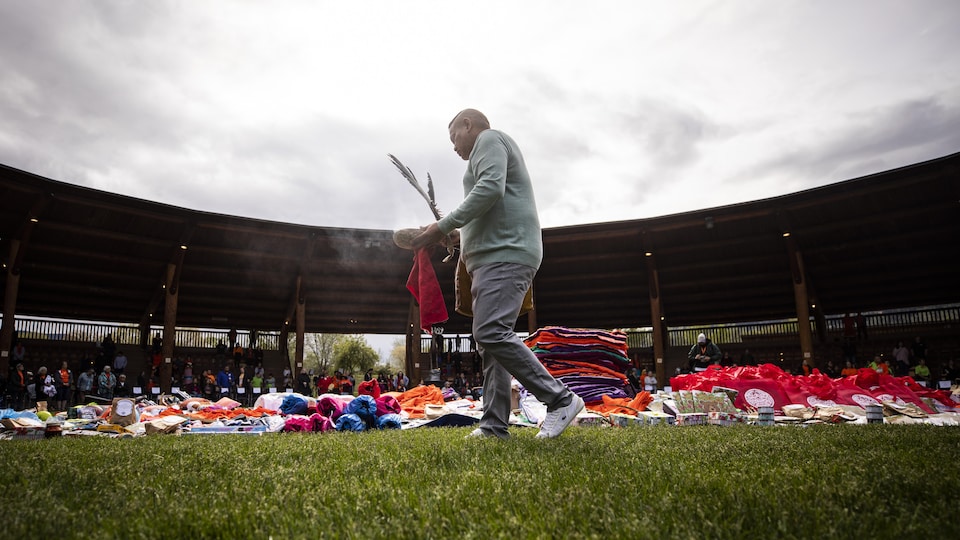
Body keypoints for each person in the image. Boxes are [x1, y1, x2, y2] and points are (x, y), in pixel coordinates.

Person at [412, 108, 584, 439]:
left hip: (505, 253)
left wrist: (443, 225)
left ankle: (560, 400)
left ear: (468, 125)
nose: (454, 147)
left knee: (491, 331)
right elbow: (488, 205)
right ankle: (493, 426)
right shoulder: (486, 150)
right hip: (491, 255)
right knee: (490, 343)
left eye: (454, 137)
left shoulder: (489, 140)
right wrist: (457, 235)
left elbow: (491, 189)